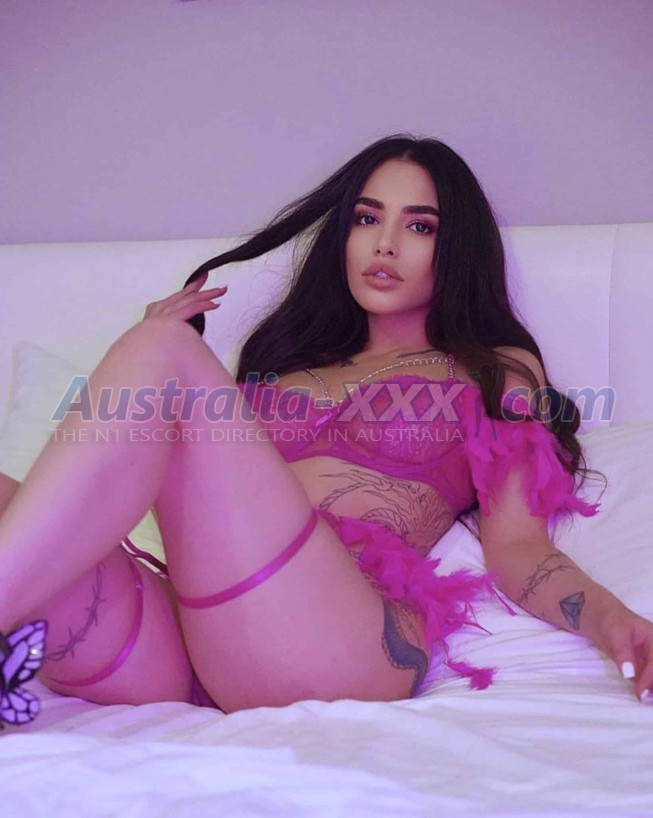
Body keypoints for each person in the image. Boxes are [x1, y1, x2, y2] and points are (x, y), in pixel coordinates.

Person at [1, 134, 652, 729]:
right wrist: (155, 361)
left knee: (162, 348)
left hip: (345, 641)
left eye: (419, 226)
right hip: (197, 646)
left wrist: (610, 619)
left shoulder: (491, 371)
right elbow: (184, 499)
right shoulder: (278, 368)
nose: (384, 244)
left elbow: (519, 547)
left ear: (455, 249)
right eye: (366, 219)